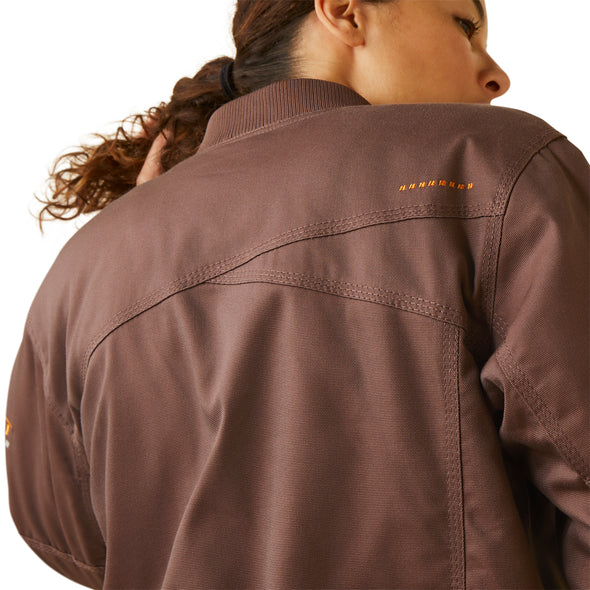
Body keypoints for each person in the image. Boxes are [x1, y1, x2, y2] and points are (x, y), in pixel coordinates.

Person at [4, 0, 588, 588]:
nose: (496, 75)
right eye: (464, 24)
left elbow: (73, 539)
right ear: (346, 13)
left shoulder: (81, 268)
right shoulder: (497, 166)